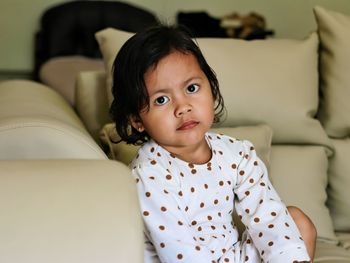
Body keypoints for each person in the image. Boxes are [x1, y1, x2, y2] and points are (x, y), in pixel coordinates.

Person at [110, 24, 317, 263]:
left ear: (212, 89)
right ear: (137, 120)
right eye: (162, 99)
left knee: (295, 221)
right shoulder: (149, 174)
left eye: (191, 88)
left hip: (233, 257)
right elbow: (179, 251)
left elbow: (268, 218)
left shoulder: (237, 154)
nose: (183, 107)